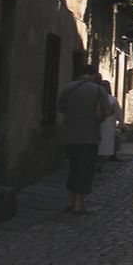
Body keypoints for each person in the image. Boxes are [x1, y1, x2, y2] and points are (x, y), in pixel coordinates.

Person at [57, 64, 108, 215]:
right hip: (89, 136)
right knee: (85, 170)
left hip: (71, 135)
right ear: (94, 74)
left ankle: (71, 200)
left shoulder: (68, 88)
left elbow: (61, 109)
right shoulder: (98, 90)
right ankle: (79, 203)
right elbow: (103, 113)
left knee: (73, 167)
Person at [96, 79, 123, 168]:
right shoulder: (111, 99)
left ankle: (99, 163)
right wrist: (121, 123)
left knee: (102, 145)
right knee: (105, 145)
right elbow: (118, 113)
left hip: (104, 125)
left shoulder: (109, 99)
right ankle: (100, 164)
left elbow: (118, 113)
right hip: (106, 125)